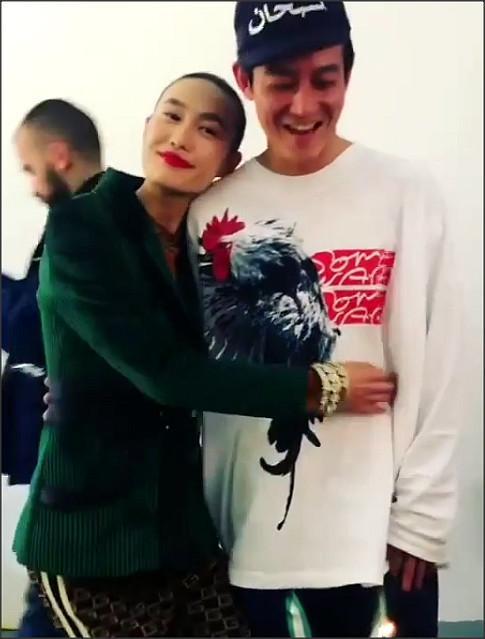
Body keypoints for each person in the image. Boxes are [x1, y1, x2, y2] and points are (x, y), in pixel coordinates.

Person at [13, 72, 394, 638]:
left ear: (228, 161)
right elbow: (167, 374)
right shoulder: (83, 227)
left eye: (207, 129)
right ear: (147, 126)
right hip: (92, 534)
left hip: (183, 529)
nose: (182, 136)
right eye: (171, 116)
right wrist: (322, 386)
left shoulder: (204, 248)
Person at [187, 2, 460, 637]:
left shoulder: (405, 192)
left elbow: (446, 365)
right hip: (248, 542)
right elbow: (188, 371)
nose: (304, 105)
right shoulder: (209, 210)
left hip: (378, 543)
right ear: (245, 80)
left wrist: (423, 519)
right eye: (282, 82)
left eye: (325, 79)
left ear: (348, 75)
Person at [3, 99, 104, 637]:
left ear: (59, 155)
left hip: (76, 466)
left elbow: (31, 326)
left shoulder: (83, 224)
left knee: (50, 607)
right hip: (69, 456)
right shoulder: (91, 217)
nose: (31, 185)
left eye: (29, 167)